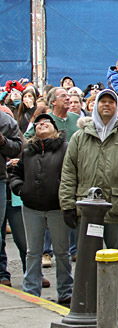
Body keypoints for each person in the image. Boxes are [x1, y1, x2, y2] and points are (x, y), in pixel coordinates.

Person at [59, 89, 118, 251]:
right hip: (87, 209)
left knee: (115, 258)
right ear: (95, 105)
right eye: (102, 101)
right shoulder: (79, 137)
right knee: (87, 258)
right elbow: (68, 174)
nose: (106, 105)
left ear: (117, 106)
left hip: (117, 209)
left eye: (111, 102)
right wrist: (67, 206)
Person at [9, 114, 73, 304]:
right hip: (32, 208)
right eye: (37, 124)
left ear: (55, 128)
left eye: (46, 123)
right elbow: (16, 173)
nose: (41, 125)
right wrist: (20, 189)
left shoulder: (66, 148)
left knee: (62, 252)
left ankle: (66, 291)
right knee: (33, 251)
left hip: (57, 207)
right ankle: (31, 290)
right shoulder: (28, 150)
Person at [0, 106, 23, 287]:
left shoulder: (6, 120)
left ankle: (28, 273)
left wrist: (2, 141)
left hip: (6, 184)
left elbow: (17, 148)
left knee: (20, 236)